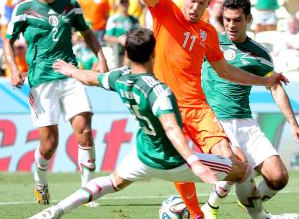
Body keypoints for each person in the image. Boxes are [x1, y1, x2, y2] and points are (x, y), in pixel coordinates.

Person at [29, 28, 260, 219]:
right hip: (174, 162)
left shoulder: (120, 77)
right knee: (244, 170)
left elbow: (92, 78)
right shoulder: (159, 91)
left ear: (127, 55)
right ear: (153, 54)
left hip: (142, 156)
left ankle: (55, 211)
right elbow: (171, 128)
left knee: (111, 182)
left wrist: (72, 71)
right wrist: (193, 161)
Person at [137, 0, 289, 218]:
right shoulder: (165, 10)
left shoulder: (207, 33)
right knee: (178, 162)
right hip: (165, 106)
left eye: (202, 2)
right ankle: (197, 214)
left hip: (197, 108)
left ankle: (218, 207)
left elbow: (226, 70)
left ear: (208, 3)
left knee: (233, 162)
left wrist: (264, 81)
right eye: (192, 0)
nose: (195, 7)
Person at [3, 0, 108, 206]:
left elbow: (87, 33)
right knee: (49, 144)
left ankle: (87, 191)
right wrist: (13, 69)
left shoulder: (70, 5)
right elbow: (7, 41)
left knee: (84, 130)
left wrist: (101, 57)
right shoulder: (24, 9)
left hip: (71, 75)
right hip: (41, 80)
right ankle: (40, 179)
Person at [201, 0, 299, 219]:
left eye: (237, 19)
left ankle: (251, 202)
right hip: (215, 120)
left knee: (279, 177)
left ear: (248, 19)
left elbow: (275, 87)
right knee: (238, 162)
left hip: (245, 122)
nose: (230, 25)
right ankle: (210, 207)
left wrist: (293, 124)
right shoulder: (211, 41)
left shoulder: (259, 54)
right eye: (227, 19)